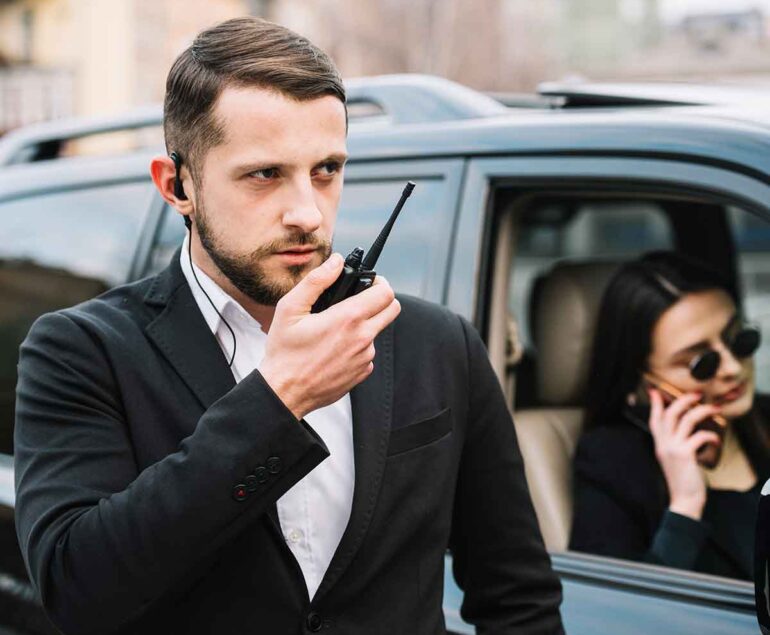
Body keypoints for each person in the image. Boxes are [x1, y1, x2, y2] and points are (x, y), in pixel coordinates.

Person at [13, 17, 563, 635]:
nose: (306, 212)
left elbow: (519, 600)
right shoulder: (81, 351)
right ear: (177, 186)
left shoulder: (437, 343)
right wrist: (278, 400)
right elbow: (76, 592)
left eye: (326, 170)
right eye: (264, 174)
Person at [570, 251, 770, 580]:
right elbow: (614, 613)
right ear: (642, 381)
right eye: (700, 363)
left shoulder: (763, 419)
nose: (733, 368)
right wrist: (685, 505)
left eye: (739, 340)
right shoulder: (611, 461)